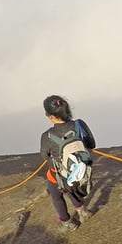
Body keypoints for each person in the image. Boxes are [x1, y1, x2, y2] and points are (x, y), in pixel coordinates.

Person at [40, 95, 96, 232]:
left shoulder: (47, 135)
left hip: (59, 174)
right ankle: (82, 211)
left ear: (51, 116)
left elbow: (44, 155)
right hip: (80, 169)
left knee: (56, 195)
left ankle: (66, 222)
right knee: (71, 187)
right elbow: (91, 144)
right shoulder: (78, 125)